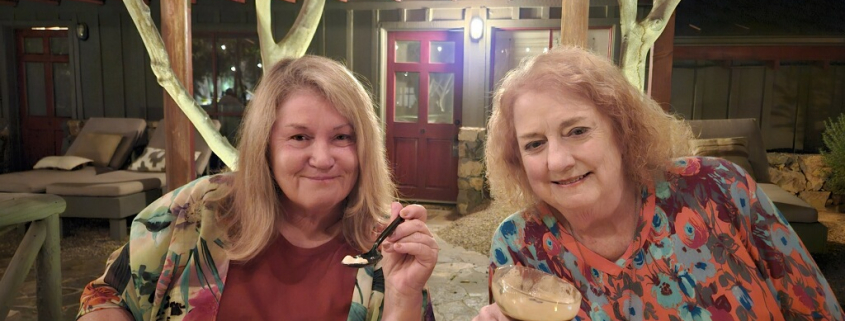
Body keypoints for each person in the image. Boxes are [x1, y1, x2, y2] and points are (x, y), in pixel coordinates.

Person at [474, 46, 843, 320]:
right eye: (534, 144)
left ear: (622, 130)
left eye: (577, 131)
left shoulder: (717, 188)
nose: (557, 160)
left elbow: (818, 310)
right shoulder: (520, 245)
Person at [78, 56, 439, 320]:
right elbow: (106, 294)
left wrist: (403, 298)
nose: (322, 157)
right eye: (300, 137)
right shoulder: (197, 209)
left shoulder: (387, 250)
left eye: (342, 137)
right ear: (265, 146)